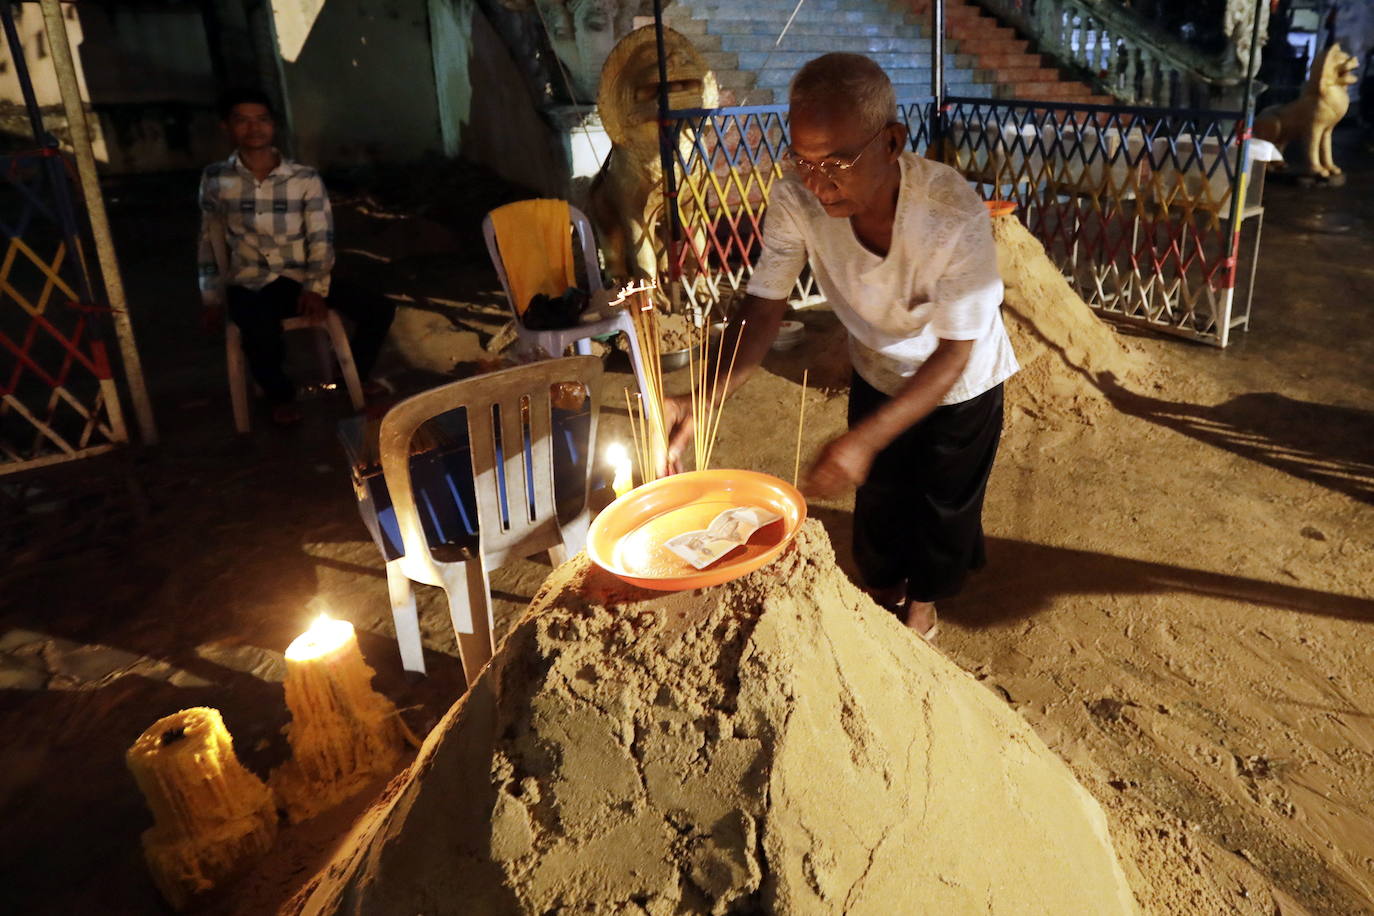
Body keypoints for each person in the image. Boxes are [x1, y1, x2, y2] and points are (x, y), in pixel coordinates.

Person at [664, 54, 1017, 639]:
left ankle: (923, 608)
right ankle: (880, 595)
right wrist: (703, 396)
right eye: (802, 160)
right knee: (878, 498)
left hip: (962, 383)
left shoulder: (949, 213)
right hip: (879, 368)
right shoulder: (796, 202)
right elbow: (764, 306)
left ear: (891, 142)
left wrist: (864, 439)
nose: (817, 181)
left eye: (837, 162)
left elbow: (956, 352)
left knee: (941, 505)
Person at [198, 88, 394, 426]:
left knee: (378, 309)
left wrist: (316, 287)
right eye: (242, 121)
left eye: (261, 120)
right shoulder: (216, 179)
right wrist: (211, 298)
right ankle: (280, 396)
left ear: (273, 126)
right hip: (250, 280)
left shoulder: (304, 178)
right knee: (259, 334)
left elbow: (321, 235)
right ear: (226, 128)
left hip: (300, 277)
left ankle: (350, 375)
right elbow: (206, 240)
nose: (253, 128)